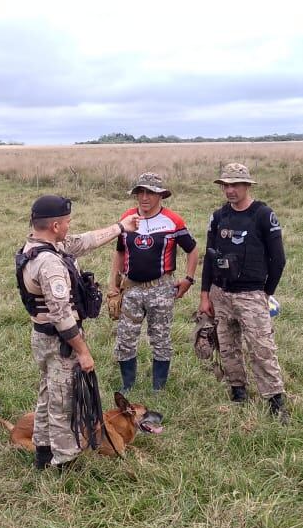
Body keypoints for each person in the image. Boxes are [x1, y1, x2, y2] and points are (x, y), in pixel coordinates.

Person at [16, 195, 140, 470]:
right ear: (57, 225)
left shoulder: (38, 246)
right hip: (60, 341)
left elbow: (84, 242)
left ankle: (43, 452)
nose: (70, 226)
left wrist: (121, 227)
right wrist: (83, 351)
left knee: (48, 395)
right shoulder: (48, 264)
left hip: (43, 336)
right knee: (65, 404)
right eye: (68, 222)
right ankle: (64, 462)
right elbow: (61, 315)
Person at [198, 163, 289, 422]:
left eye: (235, 185)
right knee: (227, 347)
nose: (230, 190)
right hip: (221, 293)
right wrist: (205, 295)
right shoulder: (218, 217)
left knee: (262, 348)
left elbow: (278, 260)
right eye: (226, 185)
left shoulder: (262, 215)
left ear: (247, 186)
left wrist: (265, 293)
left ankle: (275, 400)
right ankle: (237, 391)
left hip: (252, 294)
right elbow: (209, 257)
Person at [108, 172, 199, 391]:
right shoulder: (128, 217)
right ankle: (127, 385)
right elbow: (120, 252)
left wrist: (188, 279)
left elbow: (193, 249)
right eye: (140, 192)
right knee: (125, 337)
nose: (144, 197)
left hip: (161, 288)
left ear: (161, 196)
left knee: (160, 337)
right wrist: (113, 284)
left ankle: (158, 388)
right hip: (131, 289)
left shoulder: (173, 221)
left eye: (150, 192)